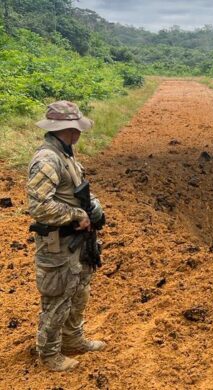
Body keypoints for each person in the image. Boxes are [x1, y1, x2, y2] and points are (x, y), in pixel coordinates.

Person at [27, 101, 106, 371]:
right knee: (57, 298)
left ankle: (73, 339)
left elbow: (77, 189)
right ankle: (49, 354)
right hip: (57, 243)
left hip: (77, 242)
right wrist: (76, 215)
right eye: (77, 128)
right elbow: (38, 206)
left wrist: (93, 207)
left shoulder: (67, 154)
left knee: (79, 291)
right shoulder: (47, 160)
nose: (80, 133)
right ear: (69, 129)